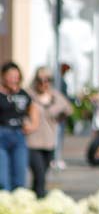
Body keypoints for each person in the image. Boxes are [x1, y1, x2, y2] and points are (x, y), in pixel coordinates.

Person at [0, 64, 39, 193]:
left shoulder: (23, 94)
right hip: (2, 135)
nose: (14, 80)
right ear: (3, 77)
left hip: (18, 135)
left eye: (16, 77)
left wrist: (33, 125)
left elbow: (33, 109)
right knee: (3, 179)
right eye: (11, 76)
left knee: (20, 177)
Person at [27, 69, 63, 197]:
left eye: (47, 80)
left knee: (41, 177)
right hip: (33, 142)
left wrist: (57, 113)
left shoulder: (54, 96)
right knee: (39, 174)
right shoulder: (29, 95)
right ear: (35, 80)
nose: (44, 83)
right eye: (40, 80)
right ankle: (40, 198)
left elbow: (67, 108)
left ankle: (33, 198)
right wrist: (27, 124)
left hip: (49, 142)